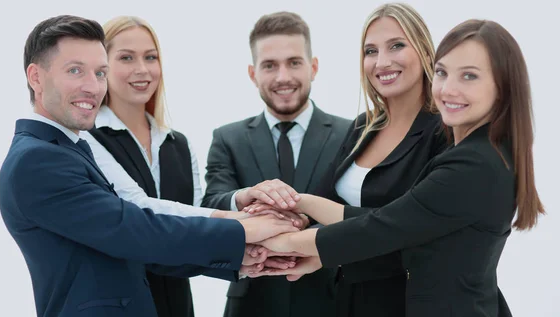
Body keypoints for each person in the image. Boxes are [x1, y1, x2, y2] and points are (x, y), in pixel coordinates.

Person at [0, 15, 299, 317]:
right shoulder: (39, 159)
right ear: (35, 77)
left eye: (100, 73)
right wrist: (240, 230)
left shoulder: (68, 148)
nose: (92, 86)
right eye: (75, 70)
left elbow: (137, 239)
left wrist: (243, 258)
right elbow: (131, 227)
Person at [251, 18, 545, 317]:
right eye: (443, 73)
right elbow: (390, 218)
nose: (448, 89)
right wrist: (300, 203)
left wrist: (275, 241)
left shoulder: (473, 162)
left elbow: (385, 228)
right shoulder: (374, 129)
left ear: (503, 84)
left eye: (469, 76)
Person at [289, 3, 445, 316]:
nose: (381, 62)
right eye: (370, 51)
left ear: (427, 53)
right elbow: (321, 202)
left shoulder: (443, 133)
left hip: (411, 302)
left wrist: (314, 232)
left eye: (397, 46)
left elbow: (408, 231)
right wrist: (274, 215)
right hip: (351, 297)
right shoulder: (364, 126)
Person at [201, 11, 352, 317]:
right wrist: (248, 200)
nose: (283, 77)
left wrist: (301, 225)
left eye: (294, 62)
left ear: (314, 67)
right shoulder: (227, 138)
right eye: (270, 65)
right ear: (252, 73)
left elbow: (357, 214)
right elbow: (211, 203)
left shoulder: (351, 134)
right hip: (251, 304)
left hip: (333, 300)